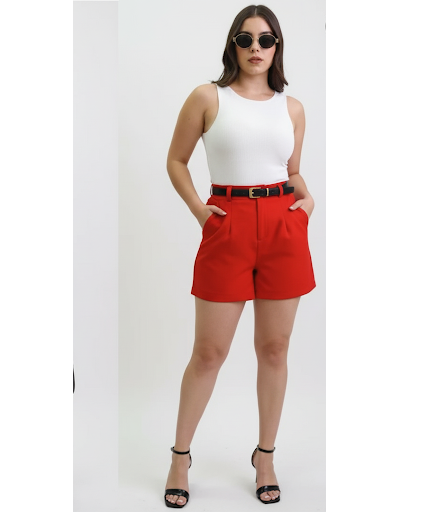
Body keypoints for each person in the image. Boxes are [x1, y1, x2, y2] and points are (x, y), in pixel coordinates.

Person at [164, 4, 315, 508]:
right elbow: (177, 160)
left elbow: (291, 171)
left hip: (282, 225)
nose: (256, 48)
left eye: (266, 40)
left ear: (277, 47)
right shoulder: (208, 97)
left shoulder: (292, 108)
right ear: (233, 44)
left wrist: (307, 202)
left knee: (274, 349)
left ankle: (265, 456)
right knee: (209, 353)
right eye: (245, 39)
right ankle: (180, 457)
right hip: (226, 223)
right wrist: (199, 211)